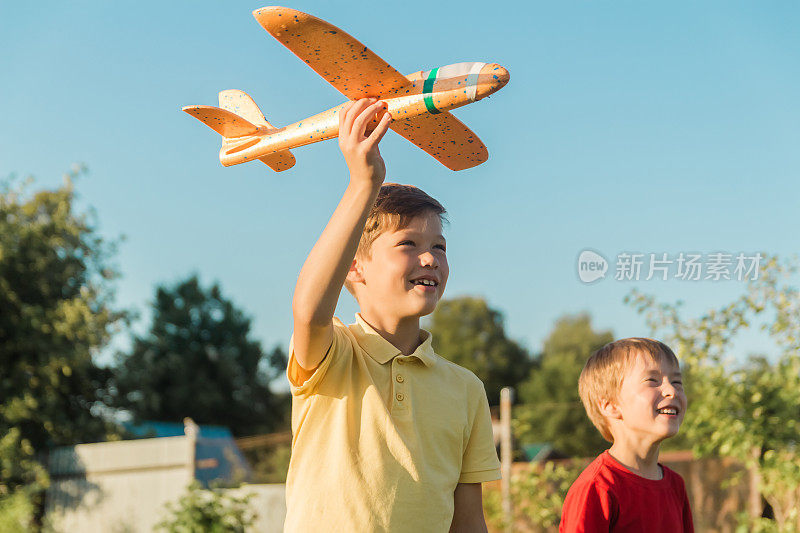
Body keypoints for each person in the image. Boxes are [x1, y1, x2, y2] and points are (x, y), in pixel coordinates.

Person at [285, 97, 501, 532]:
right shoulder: (333, 355)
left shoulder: (465, 389)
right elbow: (309, 312)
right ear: (353, 267)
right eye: (409, 245)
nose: (430, 260)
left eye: (438, 247)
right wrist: (363, 183)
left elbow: (468, 522)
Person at [559, 338, 694, 532]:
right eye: (652, 381)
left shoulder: (676, 486)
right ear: (610, 406)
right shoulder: (596, 487)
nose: (671, 390)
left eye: (677, 381)